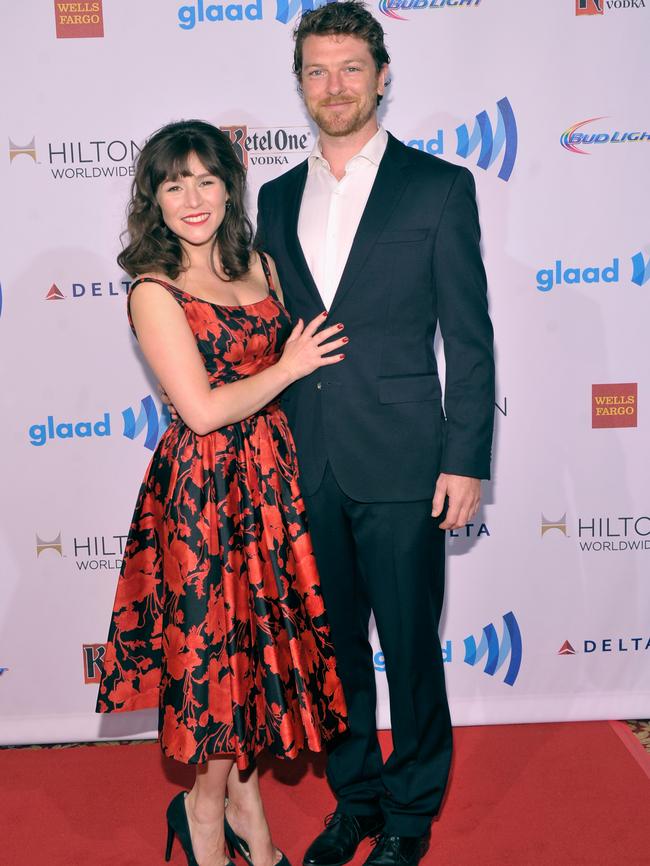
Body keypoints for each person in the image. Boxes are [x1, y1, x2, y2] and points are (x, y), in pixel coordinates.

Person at [254, 4, 495, 866]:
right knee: (330, 646)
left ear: (383, 75)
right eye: (317, 71)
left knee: (409, 644)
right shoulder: (275, 197)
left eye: (351, 68)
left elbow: (469, 338)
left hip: (402, 460)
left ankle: (410, 811)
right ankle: (355, 797)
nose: (335, 86)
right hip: (303, 457)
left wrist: (466, 460)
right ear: (301, 84)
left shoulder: (438, 186)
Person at [96, 119, 349, 866]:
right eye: (175, 183)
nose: (193, 197)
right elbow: (202, 410)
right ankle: (205, 816)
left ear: (229, 188)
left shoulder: (262, 266)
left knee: (254, 655)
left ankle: (244, 803)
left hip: (270, 484)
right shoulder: (153, 290)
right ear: (155, 199)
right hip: (203, 495)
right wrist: (290, 366)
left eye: (207, 179)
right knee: (214, 664)